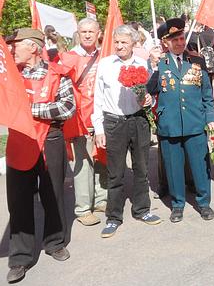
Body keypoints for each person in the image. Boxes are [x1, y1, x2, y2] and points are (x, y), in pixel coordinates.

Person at [5, 28, 76, 283]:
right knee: (19, 201)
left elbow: (67, 108)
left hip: (51, 140)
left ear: (33, 47)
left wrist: (29, 109)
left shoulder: (57, 74)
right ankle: (20, 258)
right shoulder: (9, 77)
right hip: (19, 140)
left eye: (16, 45)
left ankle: (55, 242)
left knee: (53, 193)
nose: (12, 49)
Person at [92, 24, 162, 238]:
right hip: (114, 123)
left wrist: (149, 100)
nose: (119, 46)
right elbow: (98, 98)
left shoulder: (143, 64)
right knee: (115, 172)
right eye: (117, 42)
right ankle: (113, 217)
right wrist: (99, 127)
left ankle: (142, 209)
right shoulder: (105, 65)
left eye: (124, 42)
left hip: (138, 121)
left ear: (133, 43)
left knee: (141, 168)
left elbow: (149, 93)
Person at [147, 18, 214, 222]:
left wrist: (210, 118)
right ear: (165, 43)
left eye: (181, 37)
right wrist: (154, 67)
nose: (179, 42)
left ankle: (204, 203)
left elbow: (207, 95)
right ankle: (178, 204)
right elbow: (149, 90)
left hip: (195, 122)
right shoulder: (159, 63)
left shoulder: (197, 61)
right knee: (173, 168)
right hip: (169, 124)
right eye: (174, 39)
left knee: (200, 167)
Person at [61, 18, 107, 226]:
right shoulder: (68, 58)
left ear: (99, 33)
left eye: (91, 31)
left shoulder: (105, 57)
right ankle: (82, 208)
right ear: (78, 34)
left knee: (102, 159)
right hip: (79, 120)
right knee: (83, 164)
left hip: (103, 117)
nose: (87, 35)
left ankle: (101, 198)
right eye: (83, 31)